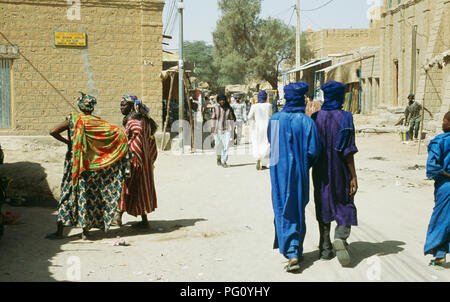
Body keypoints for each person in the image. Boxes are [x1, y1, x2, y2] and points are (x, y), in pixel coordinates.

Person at [47, 93, 129, 240]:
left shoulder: (73, 120)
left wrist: (70, 143)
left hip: (74, 164)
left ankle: (60, 232)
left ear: (80, 106)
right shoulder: (97, 122)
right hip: (90, 166)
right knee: (88, 195)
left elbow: (53, 131)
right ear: (92, 107)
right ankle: (85, 232)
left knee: (68, 194)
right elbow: (120, 135)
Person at [268, 82, 321, 272]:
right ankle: (294, 249)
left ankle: (291, 251)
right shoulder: (307, 122)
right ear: (301, 99)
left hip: (278, 172)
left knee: (281, 206)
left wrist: (276, 169)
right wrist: (303, 166)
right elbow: (314, 151)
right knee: (297, 209)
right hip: (300, 172)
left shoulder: (275, 119)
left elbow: (273, 148)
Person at [311, 81, 359, 266]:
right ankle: (340, 236)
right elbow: (348, 150)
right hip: (340, 168)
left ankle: (325, 248)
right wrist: (353, 175)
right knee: (345, 200)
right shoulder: (346, 117)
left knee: (322, 202)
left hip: (320, 170)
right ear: (340, 96)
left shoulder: (315, 118)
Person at [113, 95, 158, 228]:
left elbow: (124, 140)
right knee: (141, 187)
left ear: (132, 106)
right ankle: (144, 221)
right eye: (121, 105)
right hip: (144, 160)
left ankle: (117, 216)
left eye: (124, 105)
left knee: (125, 185)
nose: (121, 107)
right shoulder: (144, 120)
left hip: (133, 159)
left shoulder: (132, 121)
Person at [424, 111, 450, 269]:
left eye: (445, 121)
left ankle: (439, 254)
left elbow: (432, 166)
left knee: (441, 219)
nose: (442, 123)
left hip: (445, 187)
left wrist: (446, 174)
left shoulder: (439, 142)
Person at [247, 90, 272, 170]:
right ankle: (265, 161)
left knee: (257, 142)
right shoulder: (269, 105)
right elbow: (271, 115)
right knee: (266, 143)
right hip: (267, 126)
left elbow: (249, 117)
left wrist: (254, 120)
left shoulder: (254, 106)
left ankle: (258, 158)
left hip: (257, 126)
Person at [211, 94, 236, 168]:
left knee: (226, 146)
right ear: (218, 101)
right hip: (217, 130)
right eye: (220, 100)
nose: (222, 101)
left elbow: (232, 120)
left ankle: (223, 161)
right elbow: (213, 118)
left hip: (226, 130)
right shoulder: (215, 108)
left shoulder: (229, 109)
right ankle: (218, 158)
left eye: (223, 100)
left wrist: (233, 131)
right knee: (218, 146)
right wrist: (212, 128)